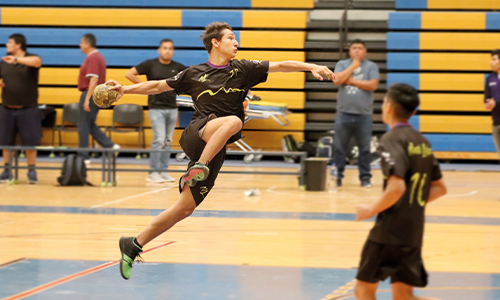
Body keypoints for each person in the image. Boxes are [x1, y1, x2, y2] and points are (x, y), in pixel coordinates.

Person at [106, 21, 337, 280]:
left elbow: (282, 65)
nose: (236, 42)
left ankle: (133, 244)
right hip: (198, 133)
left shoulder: (244, 69)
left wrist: (312, 66)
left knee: (184, 208)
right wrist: (125, 89)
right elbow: (159, 85)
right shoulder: (194, 73)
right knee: (234, 121)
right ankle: (198, 167)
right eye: (230, 38)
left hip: (215, 147)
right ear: (215, 43)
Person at [354, 83, 447, 300]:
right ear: (413, 111)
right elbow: (440, 188)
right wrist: (411, 205)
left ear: (388, 108)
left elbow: (396, 187)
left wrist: (370, 210)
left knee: (363, 290)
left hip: (389, 231)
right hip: (413, 230)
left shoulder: (390, 140)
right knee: (403, 296)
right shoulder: (422, 142)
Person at [126, 39, 187, 183]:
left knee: (167, 141)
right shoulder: (150, 64)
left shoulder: (177, 66)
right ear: (160, 50)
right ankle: (153, 172)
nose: (167, 51)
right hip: (156, 108)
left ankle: (163, 171)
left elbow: (189, 79)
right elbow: (130, 74)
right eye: (165, 48)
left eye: (170, 48)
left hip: (172, 108)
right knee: (159, 139)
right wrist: (144, 86)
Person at [333, 39, 380, 188]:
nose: (357, 51)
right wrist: (353, 66)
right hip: (343, 113)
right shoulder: (342, 64)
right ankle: (337, 177)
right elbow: (337, 80)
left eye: (360, 48)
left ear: (365, 51)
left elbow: (372, 85)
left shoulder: (371, 66)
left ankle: (365, 178)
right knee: (339, 147)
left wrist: (351, 80)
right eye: (354, 48)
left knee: (365, 149)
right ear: (350, 51)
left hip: (364, 115)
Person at [0, 33, 42, 184]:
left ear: (18, 45)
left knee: (30, 142)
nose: (6, 45)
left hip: (28, 109)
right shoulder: (3, 62)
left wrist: (16, 60)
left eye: (9, 42)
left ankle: (31, 170)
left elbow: (37, 62)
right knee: (5, 141)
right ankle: (7, 170)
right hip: (6, 108)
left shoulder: (31, 59)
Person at [77, 33, 119, 165]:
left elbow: (94, 79)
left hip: (89, 93)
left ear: (87, 44)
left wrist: (87, 98)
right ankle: (110, 146)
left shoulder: (93, 58)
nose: (80, 45)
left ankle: (84, 157)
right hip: (94, 94)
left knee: (83, 124)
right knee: (89, 124)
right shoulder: (97, 57)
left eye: (81, 42)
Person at [485, 49, 500, 161]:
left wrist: (497, 103)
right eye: (491, 59)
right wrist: (488, 103)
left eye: (494, 59)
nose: (491, 62)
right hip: (496, 122)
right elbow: (486, 97)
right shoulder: (490, 78)